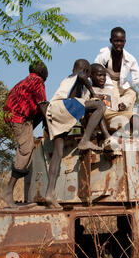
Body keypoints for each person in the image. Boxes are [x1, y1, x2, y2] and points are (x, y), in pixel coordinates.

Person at [44, 59, 111, 208]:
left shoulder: (68, 83)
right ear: (87, 71)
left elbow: (82, 109)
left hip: (53, 111)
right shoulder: (77, 76)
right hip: (63, 105)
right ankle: (85, 140)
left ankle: (50, 193)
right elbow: (81, 76)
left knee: (57, 153)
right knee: (100, 106)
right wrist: (94, 93)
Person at [0, 61, 49, 208]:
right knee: (26, 149)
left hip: (17, 117)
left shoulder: (24, 81)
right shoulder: (37, 80)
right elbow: (42, 105)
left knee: (27, 147)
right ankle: (8, 191)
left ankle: (9, 190)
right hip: (19, 119)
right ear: (42, 71)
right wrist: (52, 125)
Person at [94, 27, 139, 112]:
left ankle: (122, 105)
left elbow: (137, 77)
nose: (119, 44)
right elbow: (95, 70)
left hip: (121, 84)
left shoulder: (130, 58)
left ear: (125, 42)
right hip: (107, 83)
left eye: (121, 41)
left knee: (133, 93)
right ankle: (117, 109)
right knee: (113, 96)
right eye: (116, 41)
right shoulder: (104, 54)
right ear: (111, 41)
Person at [90, 63, 134, 134]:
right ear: (91, 76)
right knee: (95, 102)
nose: (103, 78)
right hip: (99, 117)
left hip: (112, 117)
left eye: (104, 76)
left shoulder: (109, 91)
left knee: (134, 116)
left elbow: (114, 108)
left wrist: (120, 107)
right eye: (100, 75)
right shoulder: (90, 90)